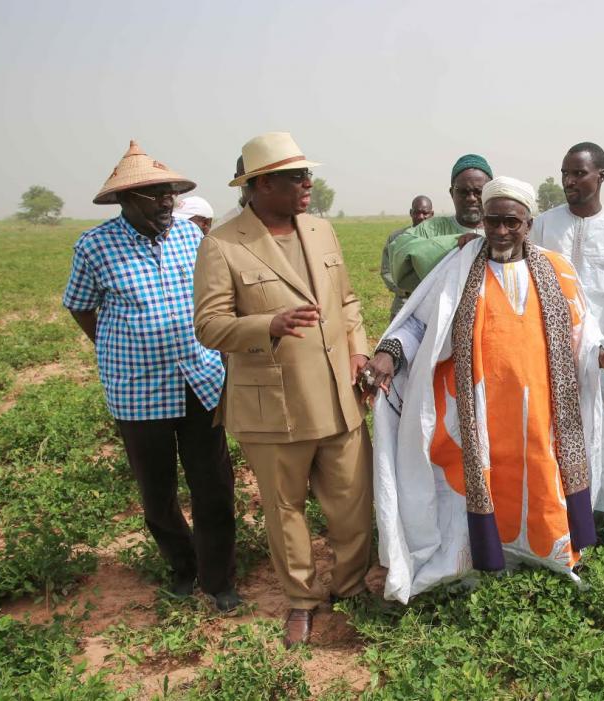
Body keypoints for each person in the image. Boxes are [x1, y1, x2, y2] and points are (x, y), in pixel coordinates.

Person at [367, 176, 604, 603]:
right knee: (478, 480)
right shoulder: (461, 265)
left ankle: (546, 554)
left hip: (542, 411)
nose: (501, 231)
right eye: (493, 221)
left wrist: (601, 359)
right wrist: (388, 355)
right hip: (477, 410)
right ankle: (478, 558)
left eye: (512, 221)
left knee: (540, 476)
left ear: (529, 222)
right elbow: (419, 321)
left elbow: (585, 335)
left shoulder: (557, 269)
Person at [193, 132, 372, 648]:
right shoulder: (223, 244)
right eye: (296, 176)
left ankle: (353, 587)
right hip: (275, 406)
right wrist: (268, 324)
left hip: (340, 396)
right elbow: (209, 326)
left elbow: (350, 303)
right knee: (285, 508)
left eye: (307, 174)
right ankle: (302, 600)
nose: (307, 183)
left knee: (351, 504)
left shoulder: (320, 230)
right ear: (261, 184)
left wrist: (358, 348)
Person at [63, 141, 239, 611]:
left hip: (200, 379)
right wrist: (120, 346)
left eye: (169, 193)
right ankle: (183, 568)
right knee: (158, 493)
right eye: (155, 194)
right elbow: (80, 306)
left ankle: (219, 579)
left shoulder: (191, 236)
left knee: (214, 485)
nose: (166, 202)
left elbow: (214, 299)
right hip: (138, 391)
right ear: (125, 200)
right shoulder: (94, 246)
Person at [530, 142, 604, 512]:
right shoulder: (544, 225)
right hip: (552, 350)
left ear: (601, 176)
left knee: (600, 431)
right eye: (565, 173)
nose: (568, 180)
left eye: (578, 173)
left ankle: (599, 511)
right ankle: (555, 511)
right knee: (550, 430)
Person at [386, 155, 493, 294]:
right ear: (451, 193)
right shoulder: (430, 229)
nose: (471, 198)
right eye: (463, 192)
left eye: (479, 192)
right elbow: (400, 251)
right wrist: (457, 243)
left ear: (490, 192)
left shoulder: (505, 228)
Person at [380, 195, 434, 319]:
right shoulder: (397, 238)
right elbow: (386, 271)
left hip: (432, 308)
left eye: (425, 213)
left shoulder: (441, 239)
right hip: (403, 306)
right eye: (416, 212)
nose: (421, 217)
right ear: (411, 213)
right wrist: (404, 290)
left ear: (432, 214)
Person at [211, 156, 250, 229]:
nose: (259, 184)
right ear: (237, 178)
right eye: (249, 178)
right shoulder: (221, 228)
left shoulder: (275, 222)